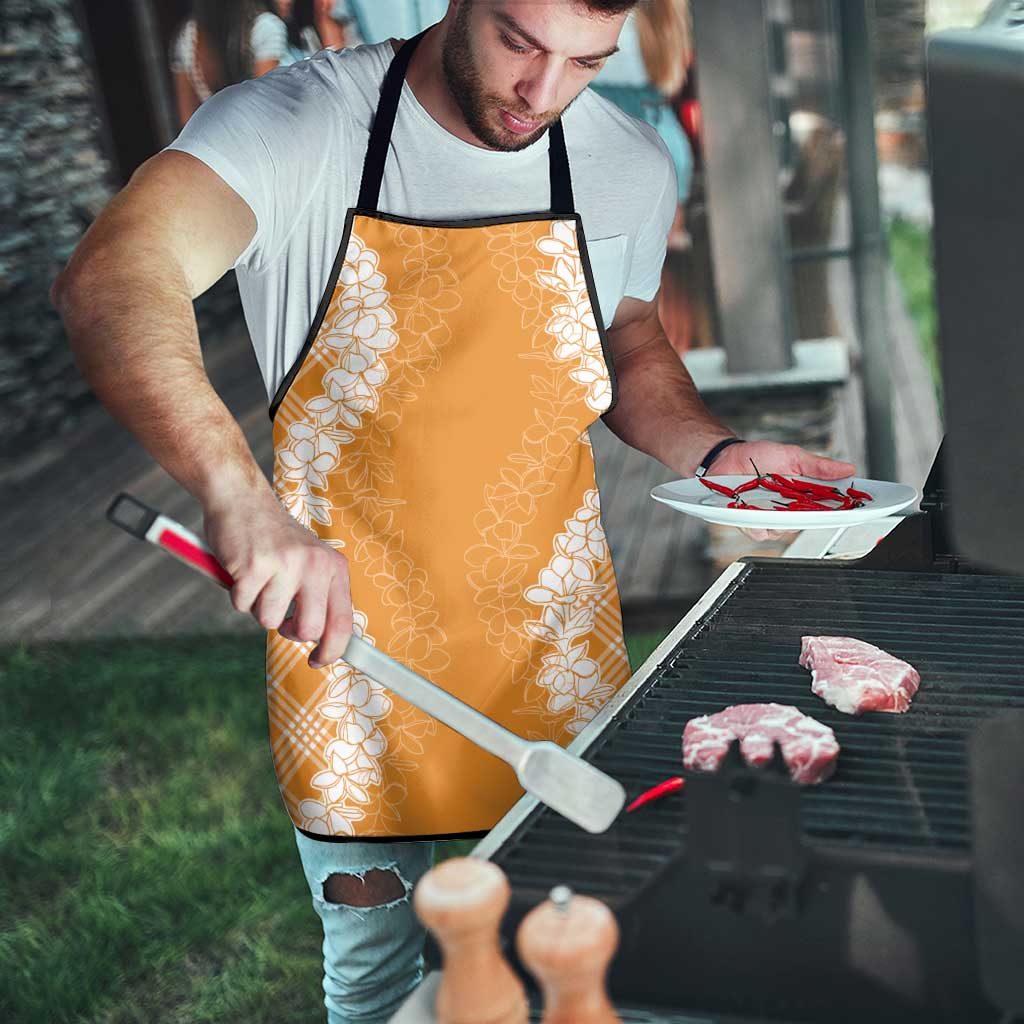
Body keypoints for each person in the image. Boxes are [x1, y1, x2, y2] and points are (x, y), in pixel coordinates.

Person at [53, 2, 856, 1020]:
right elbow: (114, 275)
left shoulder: (624, 160)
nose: (543, 94)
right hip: (347, 656)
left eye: (585, 62)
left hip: (552, 642)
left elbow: (630, 337)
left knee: (577, 956)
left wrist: (717, 449)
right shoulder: (297, 125)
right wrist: (237, 496)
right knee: (379, 979)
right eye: (520, 42)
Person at [170, 0, 289, 126]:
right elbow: (266, 107)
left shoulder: (188, 37)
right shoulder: (266, 27)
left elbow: (188, 121)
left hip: (215, 139)